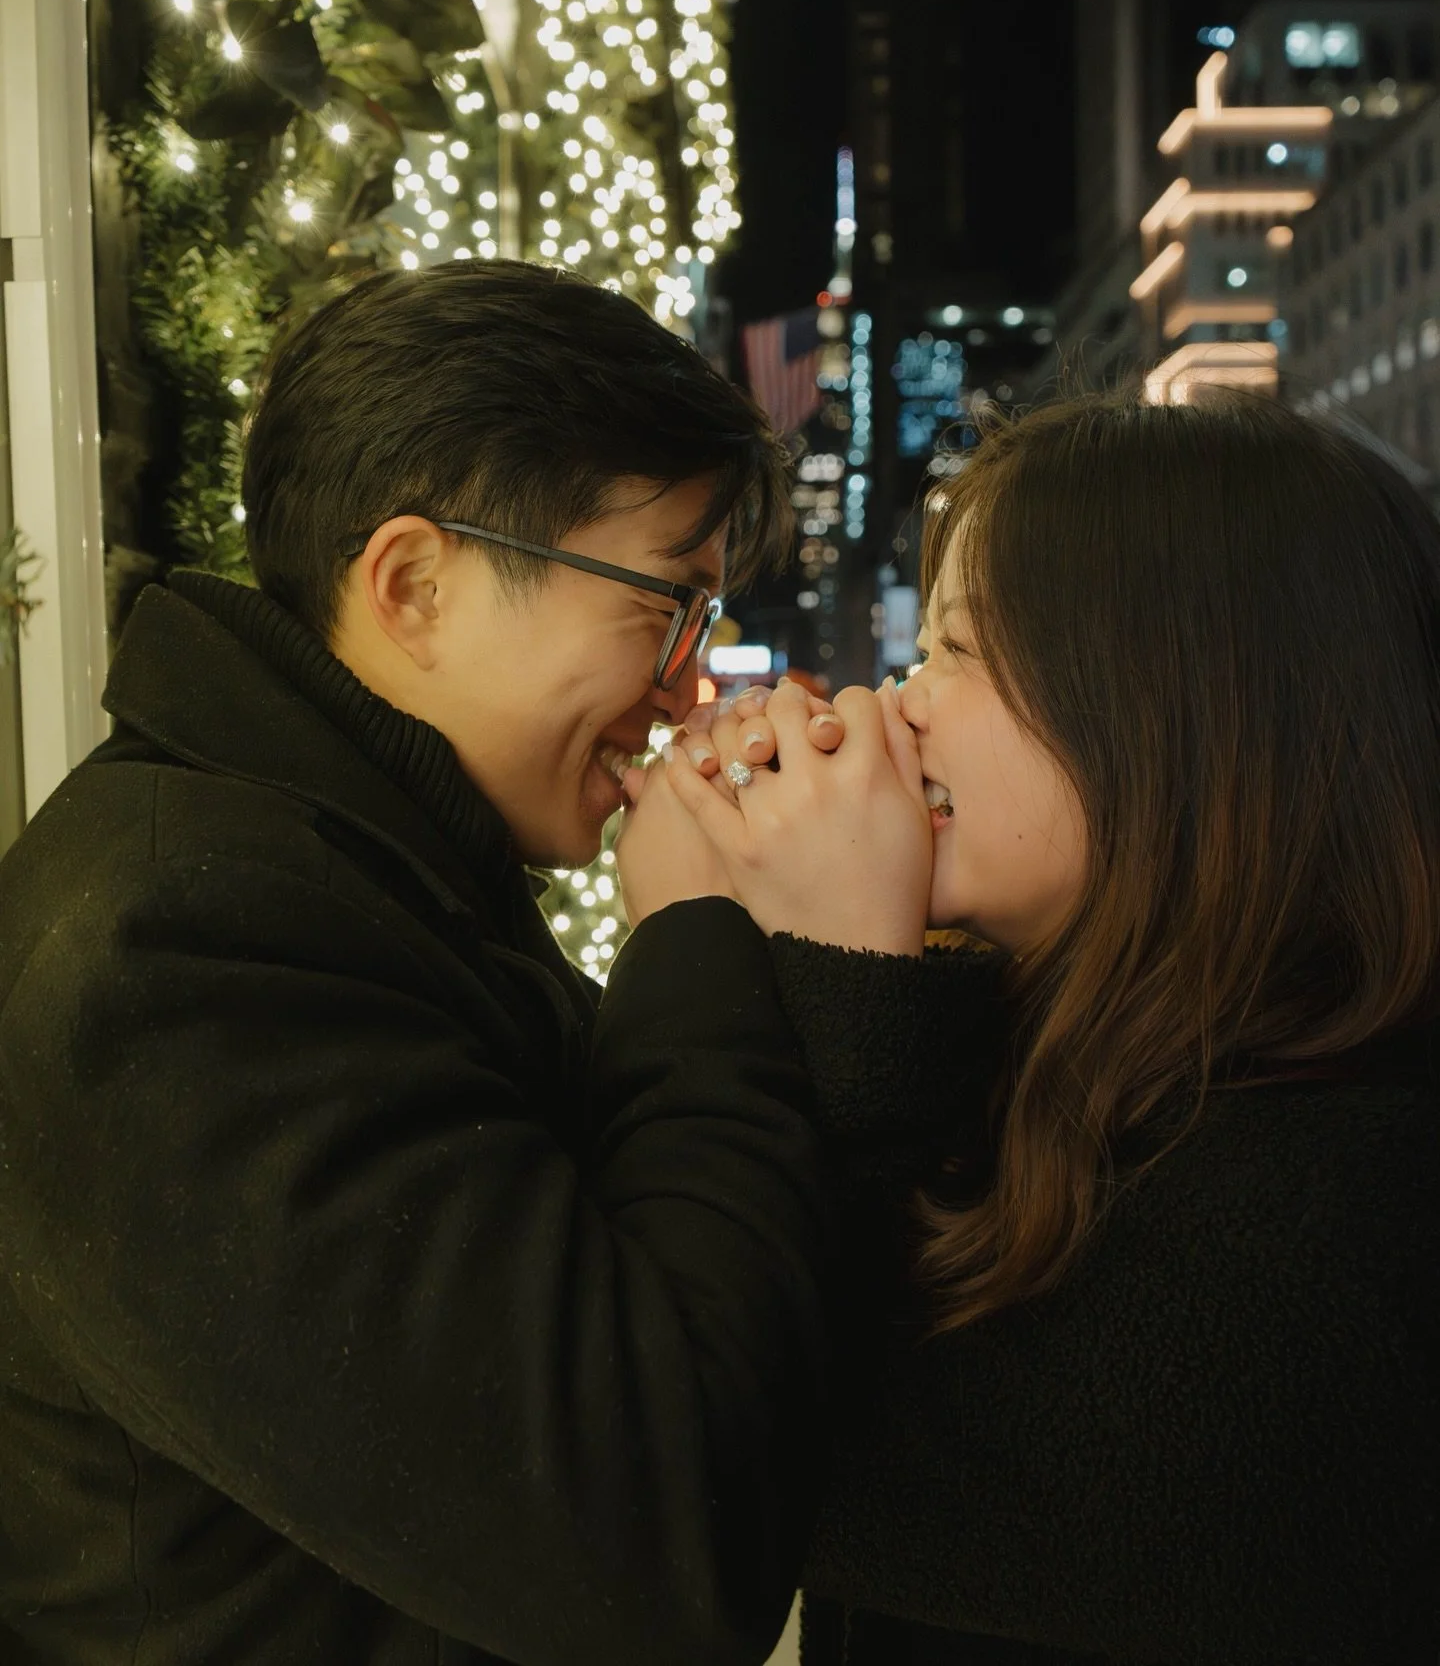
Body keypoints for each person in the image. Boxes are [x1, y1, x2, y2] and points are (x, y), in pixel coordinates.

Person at [0, 258, 870, 1665]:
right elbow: (657, 1546)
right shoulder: (170, 951)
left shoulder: (357, 868)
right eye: (666, 604)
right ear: (415, 583)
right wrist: (695, 936)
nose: (691, 685)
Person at [619, 390, 1440, 1664]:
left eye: (962, 650)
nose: (900, 703)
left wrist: (761, 951)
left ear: (1186, 710)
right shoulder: (1066, 1074)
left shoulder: (1353, 1215)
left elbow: (698, 1485)